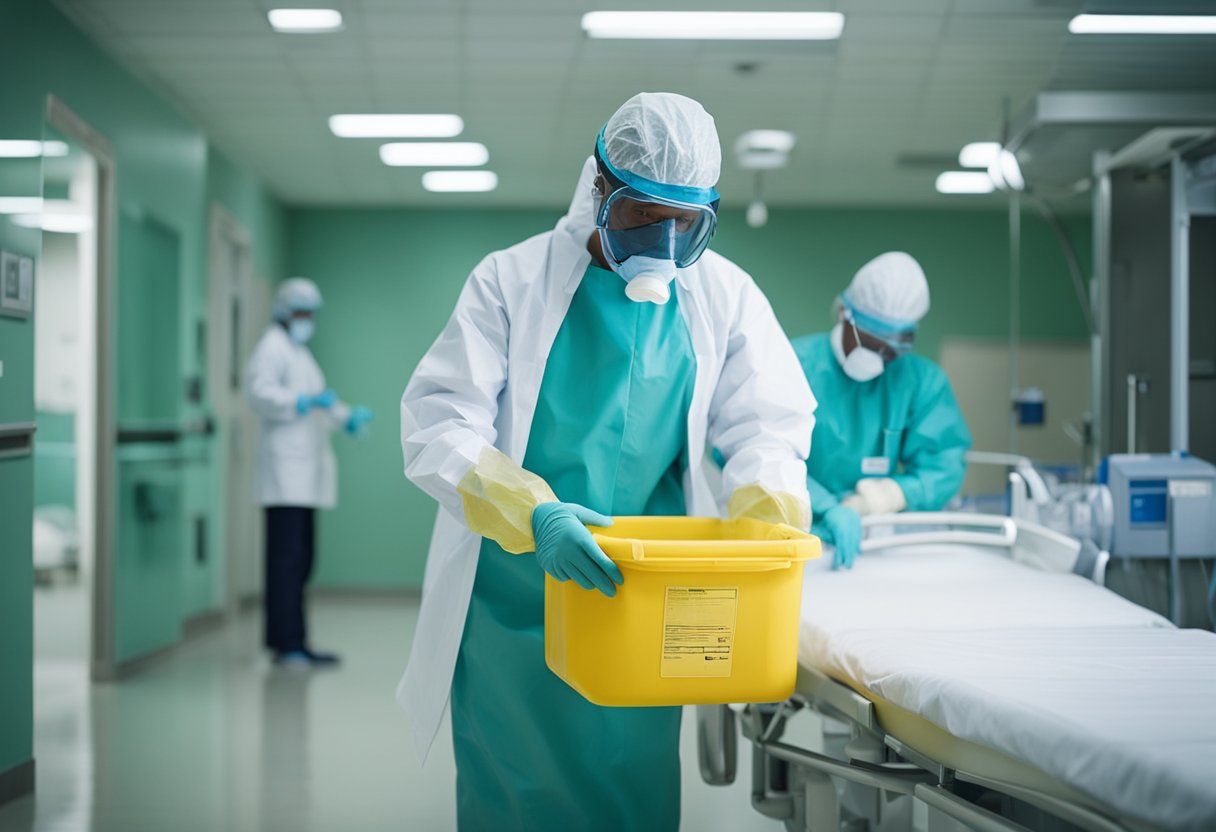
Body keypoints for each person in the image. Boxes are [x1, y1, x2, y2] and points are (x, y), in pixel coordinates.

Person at [397, 92, 815, 832]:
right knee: (516, 794)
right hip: (514, 598)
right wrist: (532, 511)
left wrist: (767, 519)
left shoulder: (723, 295)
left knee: (632, 788)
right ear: (599, 189)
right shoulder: (510, 281)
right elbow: (437, 423)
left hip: (640, 604)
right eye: (640, 215)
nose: (661, 241)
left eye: (684, 224)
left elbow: (767, 426)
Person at [791, 252, 971, 570]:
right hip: (795, 529)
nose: (877, 358)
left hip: (875, 538)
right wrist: (825, 506)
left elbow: (944, 463)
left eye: (889, 350)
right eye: (870, 342)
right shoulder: (793, 363)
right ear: (844, 313)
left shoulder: (920, 382)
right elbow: (758, 446)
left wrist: (891, 495)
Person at [246, 277, 373, 667]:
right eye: (302, 312)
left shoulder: (298, 353)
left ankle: (294, 639)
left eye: (311, 313)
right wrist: (300, 401)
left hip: (303, 475)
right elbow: (260, 394)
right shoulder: (271, 347)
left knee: (301, 561)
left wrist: (346, 416)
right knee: (286, 562)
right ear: (284, 312)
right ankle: (287, 644)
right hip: (285, 474)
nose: (307, 319)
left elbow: (318, 402)